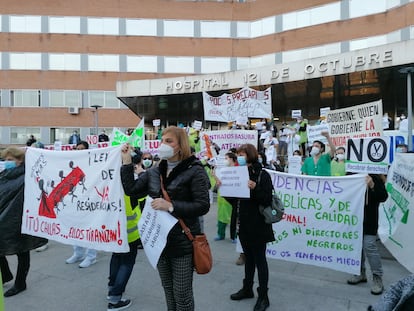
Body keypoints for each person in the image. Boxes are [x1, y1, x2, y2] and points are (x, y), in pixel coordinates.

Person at [120, 126, 210, 311]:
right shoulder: (154, 172)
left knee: (182, 295)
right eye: (162, 141)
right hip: (158, 242)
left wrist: (171, 206)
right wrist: (127, 162)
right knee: (168, 290)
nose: (163, 145)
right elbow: (131, 190)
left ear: (180, 145)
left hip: (183, 243)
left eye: (169, 141)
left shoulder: (195, 170)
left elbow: (203, 205)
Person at [220, 143, 275, 311]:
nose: (240, 157)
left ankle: (264, 296)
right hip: (243, 225)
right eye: (239, 154)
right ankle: (247, 288)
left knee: (260, 261)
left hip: (258, 226)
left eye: (243, 154)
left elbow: (266, 199)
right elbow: (235, 200)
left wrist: (255, 187)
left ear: (250, 155)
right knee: (248, 259)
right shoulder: (238, 173)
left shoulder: (262, 174)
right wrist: (224, 187)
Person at [0, 147, 47, 297]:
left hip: (19, 219)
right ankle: (5, 275)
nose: (6, 163)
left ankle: (20, 283)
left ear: (20, 161)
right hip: (4, 218)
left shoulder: (28, 174)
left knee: (22, 251)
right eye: (5, 160)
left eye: (10, 160)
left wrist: (30, 151)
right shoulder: (4, 174)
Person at [347, 174, 388, 295]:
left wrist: (372, 185)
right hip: (355, 220)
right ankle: (360, 273)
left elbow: (383, 197)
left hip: (370, 220)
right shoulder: (352, 175)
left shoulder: (375, 176)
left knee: (369, 246)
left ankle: (377, 278)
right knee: (357, 247)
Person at [107, 179, 142, 311]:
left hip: (115, 233)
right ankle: (115, 299)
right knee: (126, 264)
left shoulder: (111, 185)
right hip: (130, 234)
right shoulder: (131, 187)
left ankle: (112, 289)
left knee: (116, 258)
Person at [65, 141, 98, 268]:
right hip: (75, 201)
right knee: (75, 228)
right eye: (77, 148)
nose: (79, 150)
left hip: (89, 201)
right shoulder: (72, 164)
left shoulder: (92, 164)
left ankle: (91, 256)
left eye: (82, 148)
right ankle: (78, 253)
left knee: (89, 228)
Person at [213, 152, 237, 241]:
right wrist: (215, 176)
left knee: (234, 217)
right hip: (222, 197)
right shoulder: (221, 169)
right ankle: (220, 234)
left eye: (226, 158)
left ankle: (234, 236)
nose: (225, 160)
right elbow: (217, 184)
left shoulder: (237, 170)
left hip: (233, 197)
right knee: (221, 216)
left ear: (232, 159)